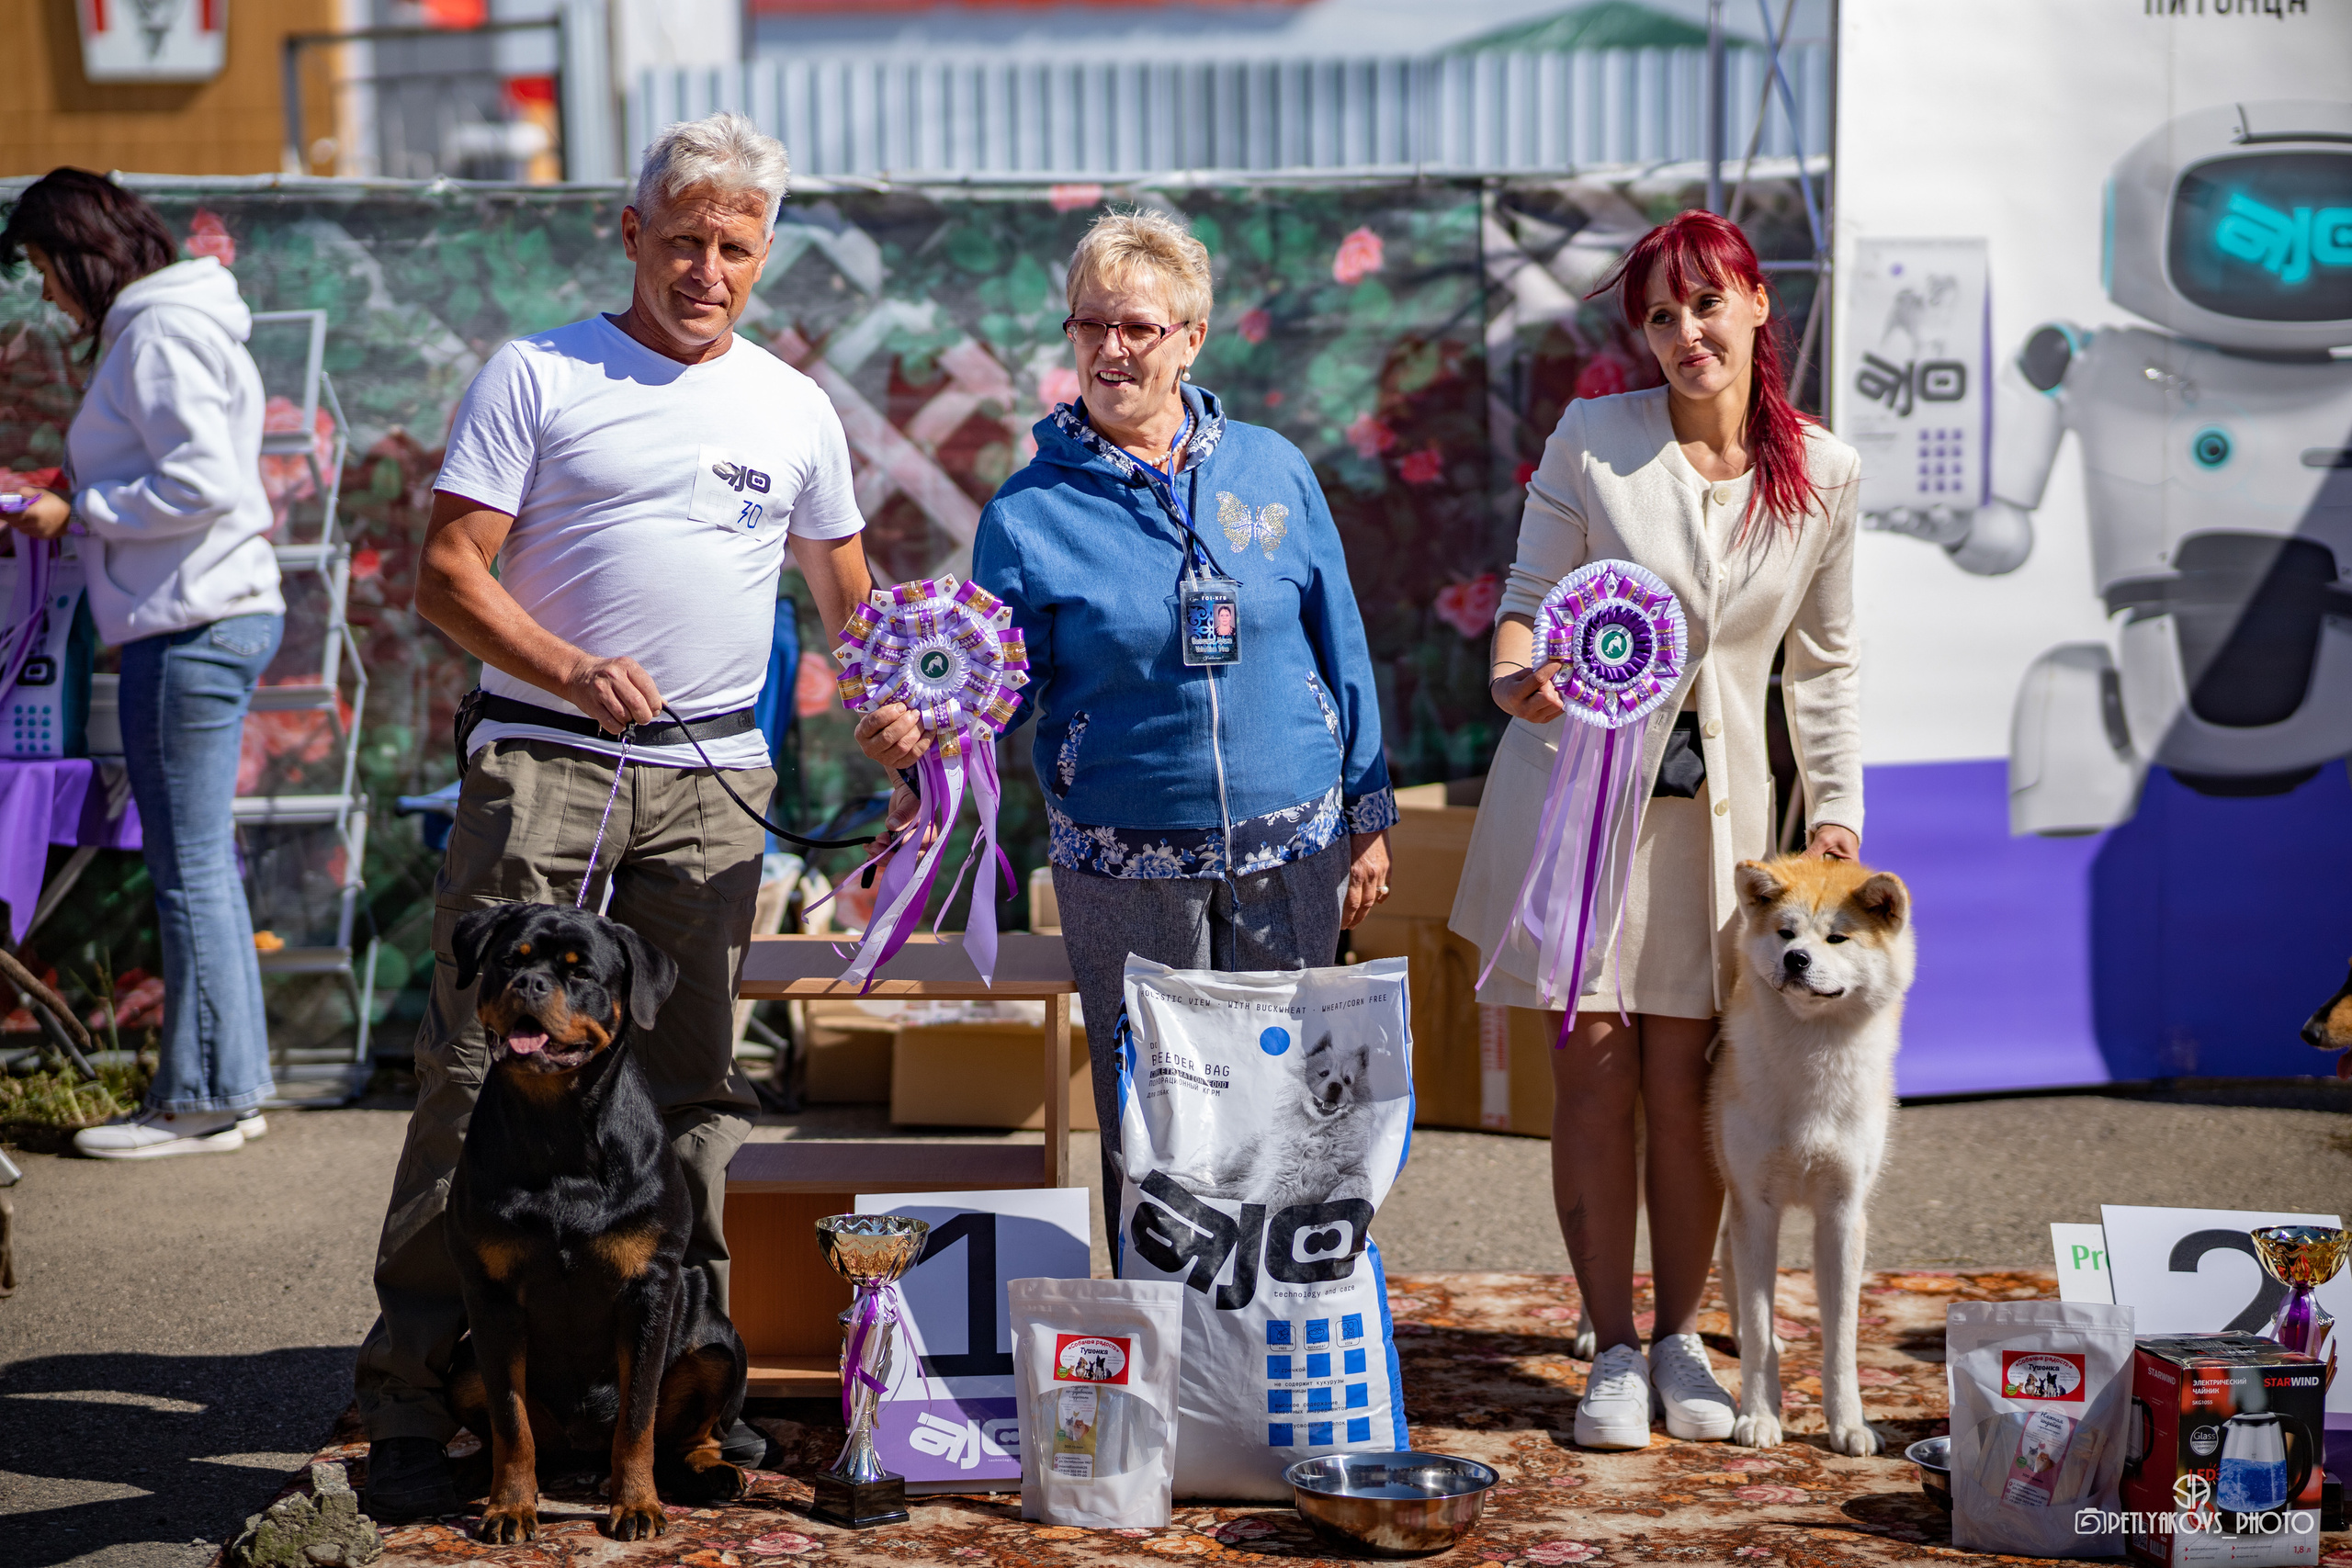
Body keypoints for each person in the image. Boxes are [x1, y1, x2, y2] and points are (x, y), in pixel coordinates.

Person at [351, 112, 894, 1521]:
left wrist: (904, 718)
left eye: (737, 247)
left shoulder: (793, 405)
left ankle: (677, 1389)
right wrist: (566, 666)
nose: (708, 270)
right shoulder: (537, 373)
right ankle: (410, 1394)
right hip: (545, 759)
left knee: (696, 1084)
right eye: (685, 240)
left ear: (765, 255)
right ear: (632, 232)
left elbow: (849, 595)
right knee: (475, 1067)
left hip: (717, 784)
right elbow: (447, 571)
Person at [1449, 210, 1862, 1451]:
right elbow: (1527, 607)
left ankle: (1682, 1338)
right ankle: (1612, 1349)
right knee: (1595, 1072)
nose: (1688, 332)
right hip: (1579, 805)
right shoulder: (1594, 437)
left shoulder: (1826, 471)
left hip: (1721, 832)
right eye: (1662, 315)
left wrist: (1834, 813)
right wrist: (1518, 680)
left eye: (1707, 303)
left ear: (1758, 305)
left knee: (1691, 1086)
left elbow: (1825, 663)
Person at [961, 208, 1396, 1237]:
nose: (1111, 349)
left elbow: (1338, 634)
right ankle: (1164, 1332)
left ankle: (1284, 1322)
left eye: (1138, 327)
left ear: (1191, 338)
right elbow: (993, 687)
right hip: (1125, 868)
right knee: (1157, 1129)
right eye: (1091, 324)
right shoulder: (1024, 514)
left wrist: (1367, 814)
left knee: (1294, 1116)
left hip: (1293, 851)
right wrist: (927, 744)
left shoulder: (1273, 468)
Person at [0, 170, 286, 1161]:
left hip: (191, 626)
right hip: (206, 618)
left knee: (190, 870)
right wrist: (76, 490)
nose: (46, 293)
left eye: (44, 268)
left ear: (82, 253)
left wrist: (77, 509)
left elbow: (200, 481)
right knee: (202, 870)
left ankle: (198, 1098)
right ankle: (226, 1088)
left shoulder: (157, 331)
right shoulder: (171, 323)